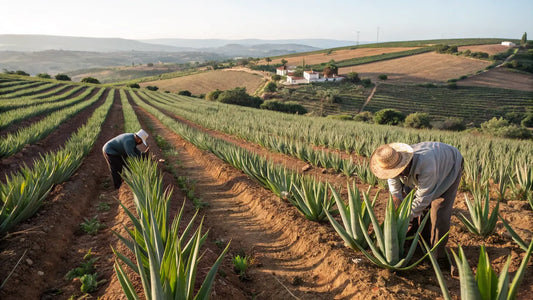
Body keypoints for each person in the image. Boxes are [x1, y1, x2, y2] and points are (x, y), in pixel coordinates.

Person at [369, 142, 463, 267]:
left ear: (404, 165)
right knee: (408, 204)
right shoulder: (391, 164)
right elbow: (396, 193)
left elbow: (422, 199)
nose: (395, 175)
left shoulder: (427, 165)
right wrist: (396, 216)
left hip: (449, 166)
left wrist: (402, 221)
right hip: (420, 172)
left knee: (439, 211)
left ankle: (437, 256)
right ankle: (415, 241)